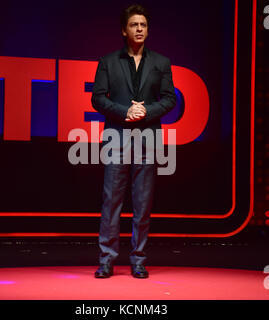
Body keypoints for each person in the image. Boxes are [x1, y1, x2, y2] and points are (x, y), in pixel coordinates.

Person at [91, 4, 176, 278]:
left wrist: (146, 111)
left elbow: (169, 99)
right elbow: (98, 98)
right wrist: (125, 111)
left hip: (148, 139)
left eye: (143, 25)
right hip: (117, 137)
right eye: (134, 25)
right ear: (124, 30)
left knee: (143, 203)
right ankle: (107, 259)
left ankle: (138, 259)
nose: (139, 29)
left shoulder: (161, 63)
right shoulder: (107, 61)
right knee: (111, 201)